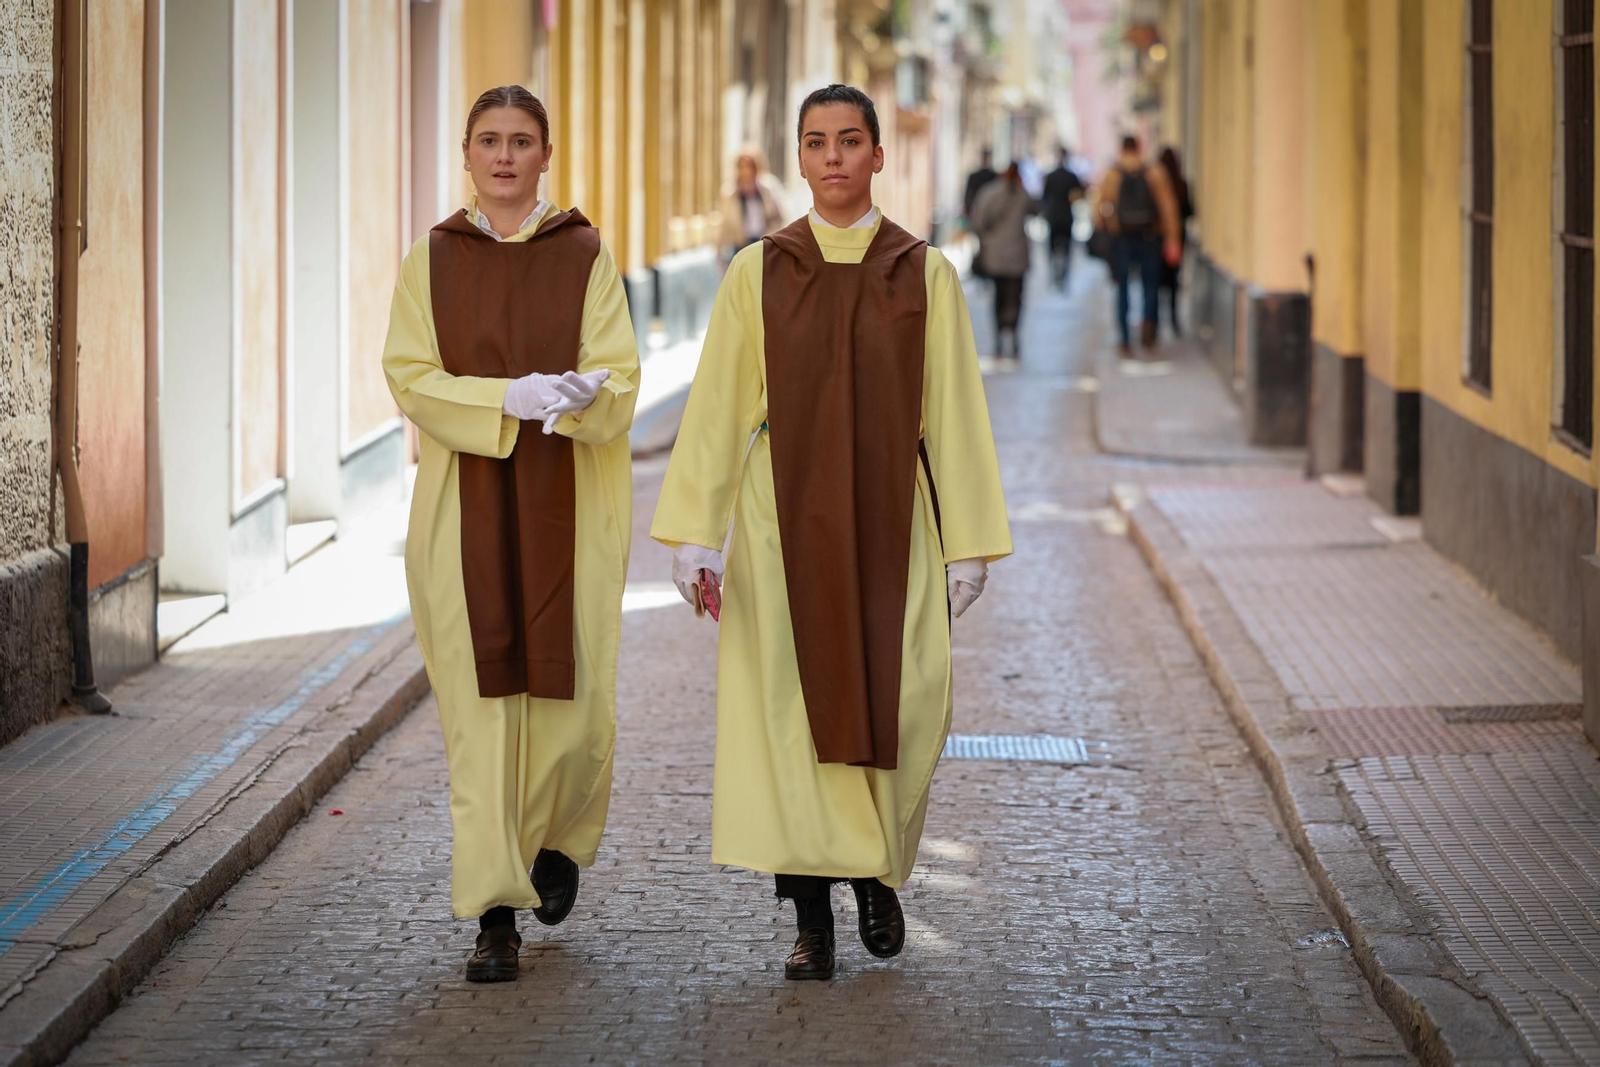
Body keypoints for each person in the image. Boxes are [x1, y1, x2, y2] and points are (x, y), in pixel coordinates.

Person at [650, 84, 1012, 982]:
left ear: (879, 156)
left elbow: (956, 415)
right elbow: (719, 407)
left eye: (852, 141)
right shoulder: (756, 271)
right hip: (782, 524)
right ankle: (811, 919)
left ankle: (876, 873)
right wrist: (696, 534)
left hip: (896, 518)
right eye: (816, 142)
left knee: (902, 694)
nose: (835, 157)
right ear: (800, 160)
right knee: (788, 717)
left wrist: (965, 541)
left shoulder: (925, 274)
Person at [381, 85, 639, 983]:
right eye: (488, 139)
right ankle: (494, 916)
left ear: (544, 155)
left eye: (521, 140)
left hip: (569, 507)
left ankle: (558, 840)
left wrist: (579, 397)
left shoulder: (583, 254)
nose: (503, 155)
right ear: (466, 152)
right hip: (462, 520)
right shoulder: (432, 258)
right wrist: (503, 400)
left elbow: (621, 373)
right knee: (482, 721)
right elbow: (408, 375)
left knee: (571, 712)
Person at [1096, 135, 1181, 356]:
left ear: (1121, 149)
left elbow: (1099, 207)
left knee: (1122, 287)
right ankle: (1148, 333)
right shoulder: (1154, 172)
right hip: (1150, 237)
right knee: (1150, 286)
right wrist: (1173, 240)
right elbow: (1168, 208)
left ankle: (1124, 339)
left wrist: (1103, 230)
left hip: (1122, 238)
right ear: (1139, 147)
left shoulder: (1112, 174)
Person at [971, 162, 1040, 359]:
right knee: (1016, 297)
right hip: (1018, 256)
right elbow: (1037, 209)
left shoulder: (989, 194)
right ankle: (1014, 333)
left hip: (995, 256)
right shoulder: (1022, 194)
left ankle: (999, 336)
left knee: (999, 298)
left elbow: (978, 222)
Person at [718, 146, 786, 262]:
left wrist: (770, 237)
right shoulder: (730, 193)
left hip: (763, 243)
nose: (746, 170)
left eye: (749, 166)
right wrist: (719, 251)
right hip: (740, 245)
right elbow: (725, 224)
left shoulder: (767, 189)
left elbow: (778, 218)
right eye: (742, 166)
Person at [1157, 145, 1194, 336]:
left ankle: (1153, 322)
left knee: (1154, 281)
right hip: (1177, 240)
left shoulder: (1154, 184)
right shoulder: (1181, 184)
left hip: (1156, 240)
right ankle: (1173, 319)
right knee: (1173, 281)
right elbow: (1190, 212)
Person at [1042, 146, 1085, 290]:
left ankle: (1054, 275)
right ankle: (1063, 276)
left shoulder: (1051, 176)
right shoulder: (1071, 176)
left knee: (1053, 249)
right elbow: (1079, 195)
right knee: (1066, 249)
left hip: (1054, 217)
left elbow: (1045, 197)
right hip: (1066, 217)